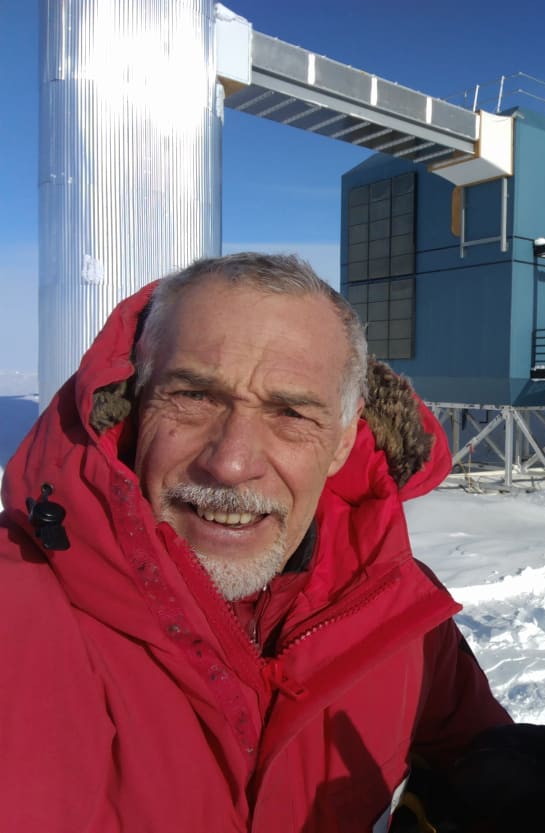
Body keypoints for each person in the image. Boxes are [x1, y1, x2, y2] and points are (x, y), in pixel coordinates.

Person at [0, 253, 510, 832]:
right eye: (193, 397)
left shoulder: (397, 612)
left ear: (344, 442)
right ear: (136, 406)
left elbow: (476, 752)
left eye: (290, 412)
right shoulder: (21, 609)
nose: (231, 463)